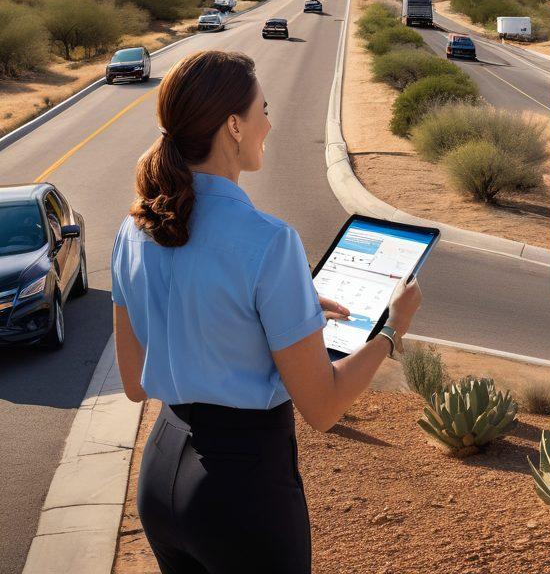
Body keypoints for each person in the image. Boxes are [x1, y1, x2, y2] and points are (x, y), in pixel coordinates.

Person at [111, 49, 422, 574]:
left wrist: (283, 314)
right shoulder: (270, 241)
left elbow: (134, 383)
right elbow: (322, 409)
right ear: (234, 125)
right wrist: (391, 332)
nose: (269, 123)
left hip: (161, 474)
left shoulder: (132, 230)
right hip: (242, 491)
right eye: (263, 110)